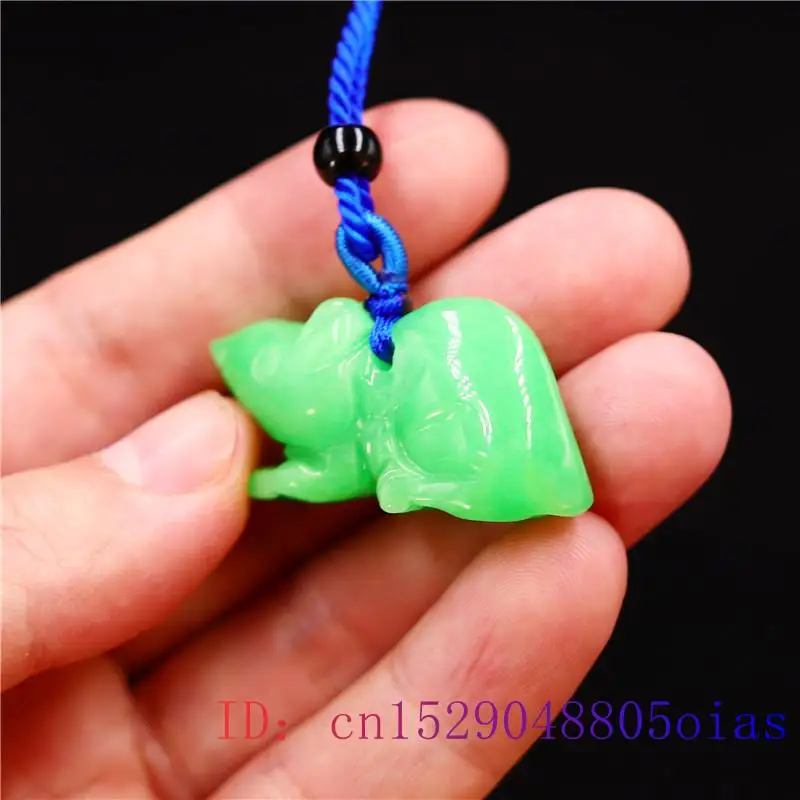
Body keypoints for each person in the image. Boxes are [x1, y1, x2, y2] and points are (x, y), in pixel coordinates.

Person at [1, 100, 731, 798]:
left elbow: (342, 459)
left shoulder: (390, 362)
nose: (272, 411)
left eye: (273, 384)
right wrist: (276, 481)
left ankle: (498, 477)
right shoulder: (351, 406)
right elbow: (335, 467)